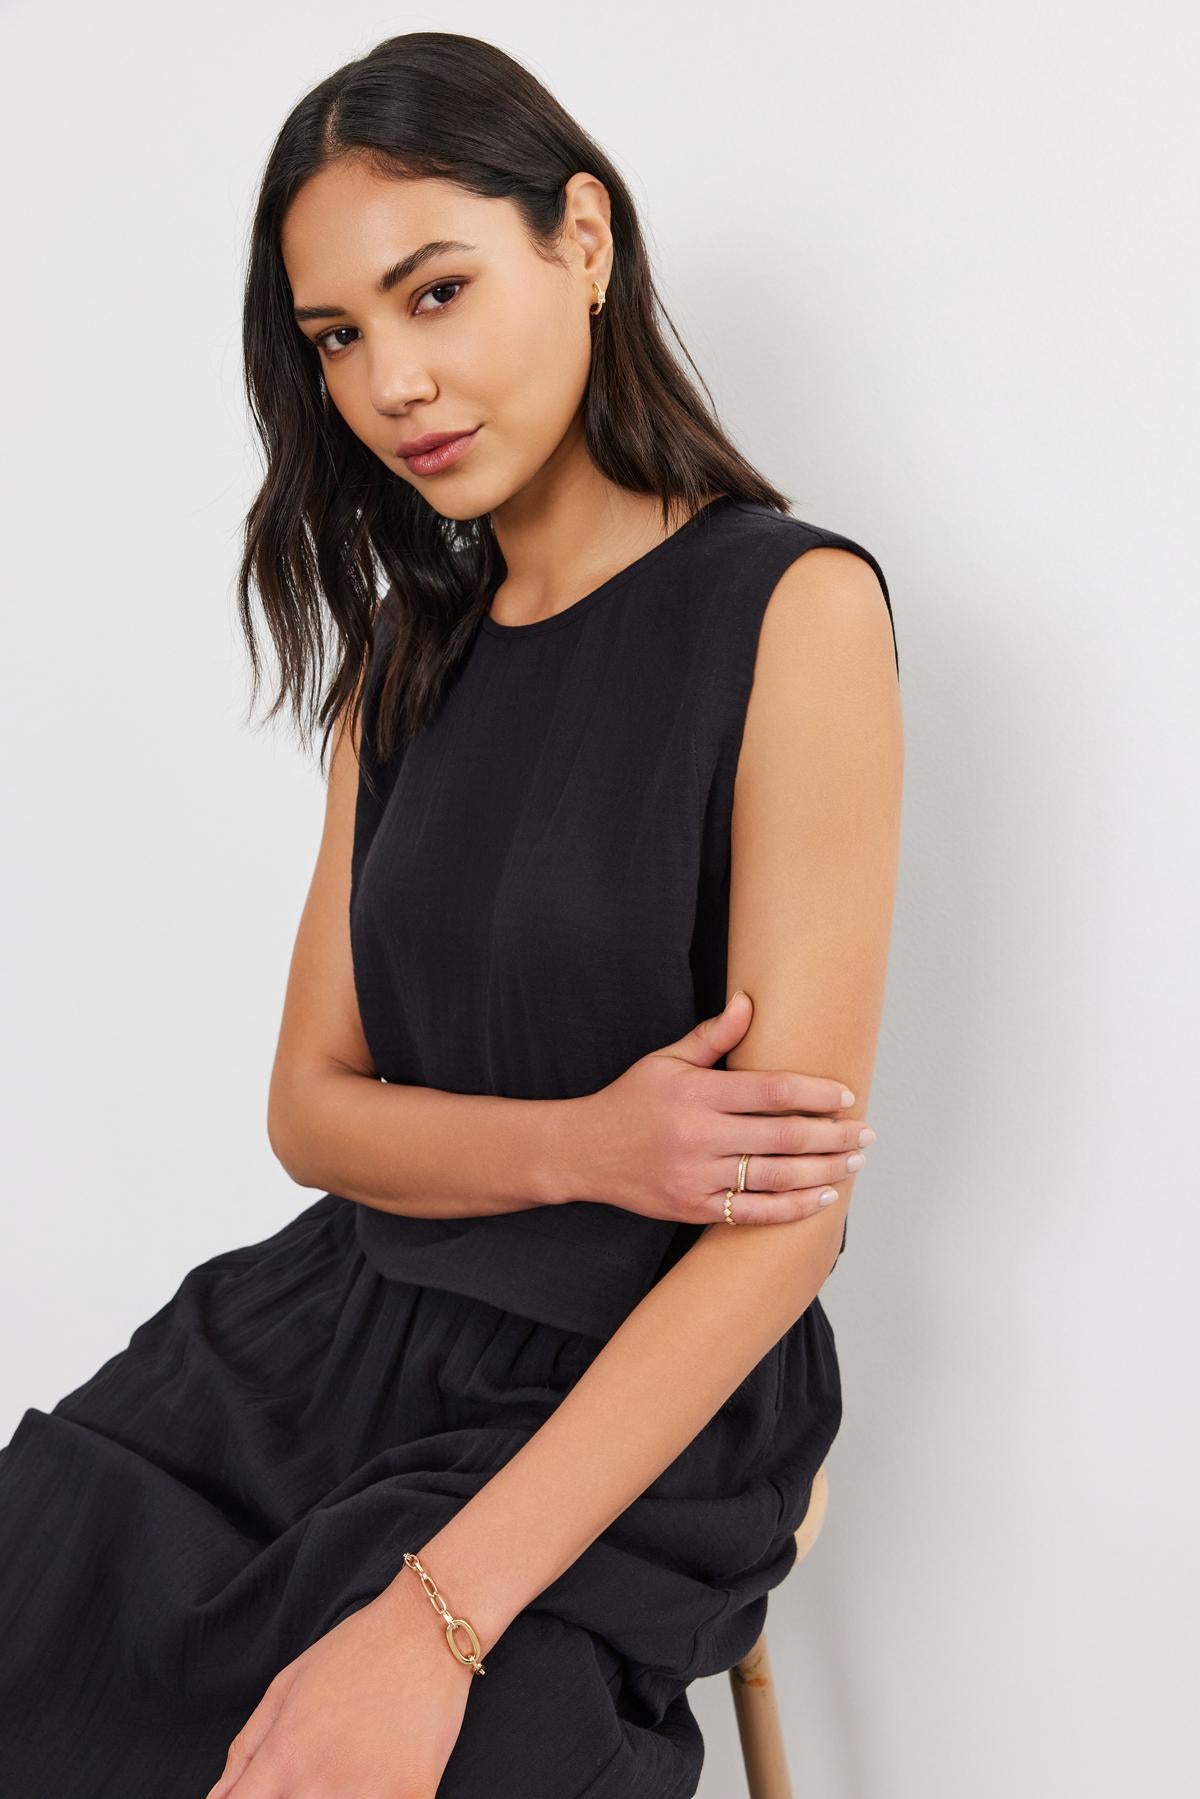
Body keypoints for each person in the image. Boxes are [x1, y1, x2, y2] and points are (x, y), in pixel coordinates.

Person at [0, 28, 903, 1799]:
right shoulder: (400, 669)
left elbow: (782, 1224)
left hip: (642, 1373)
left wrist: (438, 1616)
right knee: (49, 1607)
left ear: (582, 239)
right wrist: (586, 1141)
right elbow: (313, 1114)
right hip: (338, 1322)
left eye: (435, 292)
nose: (395, 381)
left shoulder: (789, 608)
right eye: (340, 338)